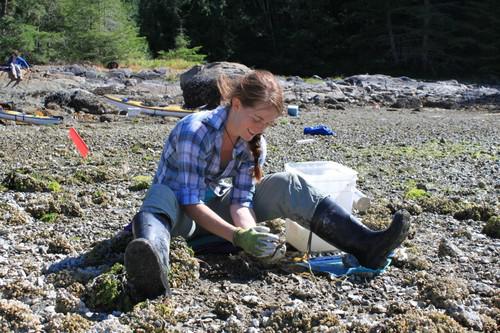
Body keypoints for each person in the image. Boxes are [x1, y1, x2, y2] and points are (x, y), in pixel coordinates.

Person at [124, 70, 411, 300]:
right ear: (236, 104)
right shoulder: (194, 131)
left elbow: (240, 200)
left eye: (267, 123)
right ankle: (153, 268)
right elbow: (190, 202)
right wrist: (238, 237)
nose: (260, 128)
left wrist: (252, 233)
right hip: (176, 223)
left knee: (288, 183)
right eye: (257, 118)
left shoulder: (255, 144)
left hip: (217, 224)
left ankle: (365, 244)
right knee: (160, 194)